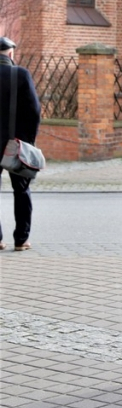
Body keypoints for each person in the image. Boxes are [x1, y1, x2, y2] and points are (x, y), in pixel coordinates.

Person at [0, 36, 41, 253]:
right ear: (11, 54)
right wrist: (28, 141)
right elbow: (34, 110)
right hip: (15, 144)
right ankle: (20, 239)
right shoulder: (20, 74)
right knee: (22, 190)